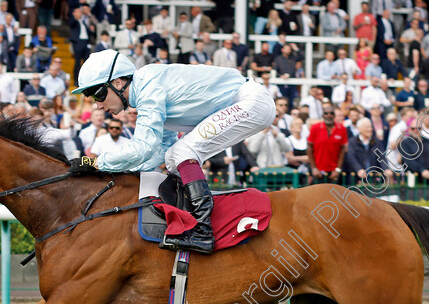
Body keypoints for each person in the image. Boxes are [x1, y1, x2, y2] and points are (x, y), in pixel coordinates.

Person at [68, 49, 275, 253]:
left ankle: (203, 231)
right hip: (246, 101)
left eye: (98, 94)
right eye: (91, 97)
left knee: (184, 151)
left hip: (250, 101)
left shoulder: (149, 87)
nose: (98, 105)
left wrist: (97, 163)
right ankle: (190, 219)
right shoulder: (147, 89)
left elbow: (143, 147)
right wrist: (118, 170)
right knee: (173, 156)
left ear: (118, 83)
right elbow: (160, 150)